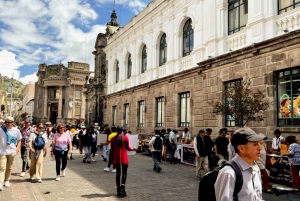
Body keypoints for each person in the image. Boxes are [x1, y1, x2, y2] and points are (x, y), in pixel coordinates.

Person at [215, 127, 266, 201]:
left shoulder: (255, 167)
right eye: (255, 144)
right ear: (241, 148)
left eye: (259, 143)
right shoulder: (229, 173)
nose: (260, 148)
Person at [111, 127, 138, 197]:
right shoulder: (125, 138)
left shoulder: (113, 139)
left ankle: (118, 189)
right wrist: (134, 149)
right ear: (122, 131)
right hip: (124, 157)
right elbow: (128, 148)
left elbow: (112, 150)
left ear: (116, 131)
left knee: (118, 174)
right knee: (124, 173)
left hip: (116, 157)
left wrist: (111, 160)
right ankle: (123, 188)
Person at [0, 116, 22, 190]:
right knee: (2, 168)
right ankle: (0, 183)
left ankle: (7, 180)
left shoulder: (16, 131)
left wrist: (17, 150)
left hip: (12, 151)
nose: (8, 123)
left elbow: (19, 140)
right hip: (2, 151)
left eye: (9, 122)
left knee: (8, 167)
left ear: (13, 123)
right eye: (6, 122)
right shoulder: (1, 130)